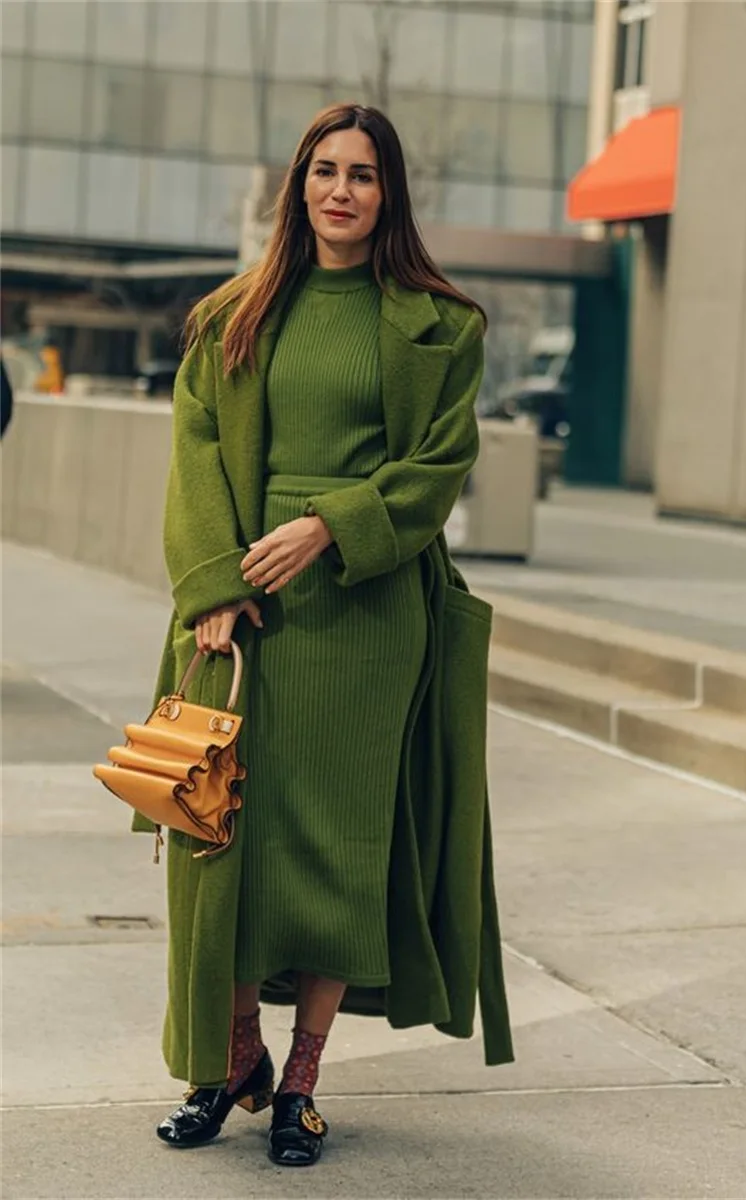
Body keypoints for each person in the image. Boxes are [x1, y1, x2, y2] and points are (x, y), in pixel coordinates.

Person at [138, 102, 513, 1169]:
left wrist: (328, 525)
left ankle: (300, 1082)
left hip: (364, 612)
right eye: (321, 169)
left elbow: (437, 470)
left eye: (361, 174)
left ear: (389, 193)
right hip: (240, 614)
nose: (339, 189)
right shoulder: (230, 315)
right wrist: (212, 583)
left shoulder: (442, 324)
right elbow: (196, 452)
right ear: (296, 183)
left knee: (339, 853)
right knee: (217, 842)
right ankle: (229, 1059)